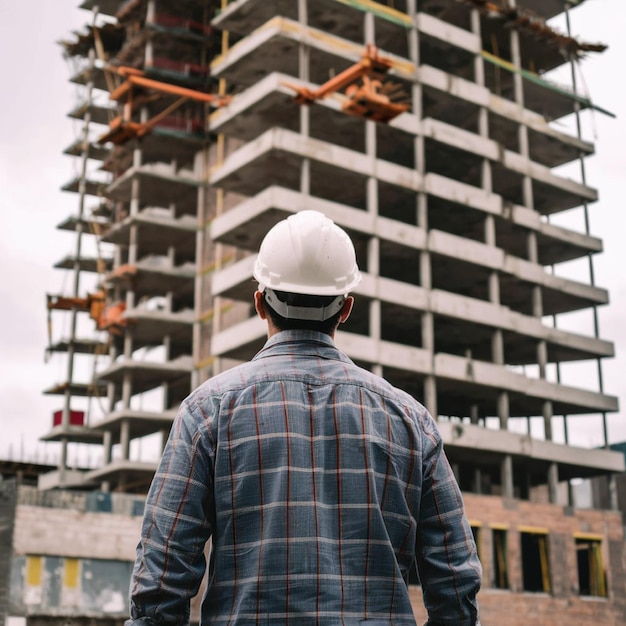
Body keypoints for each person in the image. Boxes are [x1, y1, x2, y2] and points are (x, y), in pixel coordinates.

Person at [126, 210, 482, 626]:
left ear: (260, 303)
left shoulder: (208, 413)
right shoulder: (410, 422)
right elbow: (455, 583)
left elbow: (160, 583)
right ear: (346, 308)